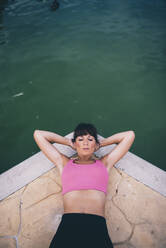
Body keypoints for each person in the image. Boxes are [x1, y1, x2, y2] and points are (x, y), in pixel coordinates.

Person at [33, 123, 135, 248]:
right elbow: (38, 134)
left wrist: (101, 143)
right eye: (80, 139)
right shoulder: (64, 163)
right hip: (69, 223)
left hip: (97, 225)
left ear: (95, 144)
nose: (85, 143)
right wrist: (67, 141)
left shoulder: (105, 163)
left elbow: (129, 135)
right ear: (75, 144)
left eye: (90, 139)